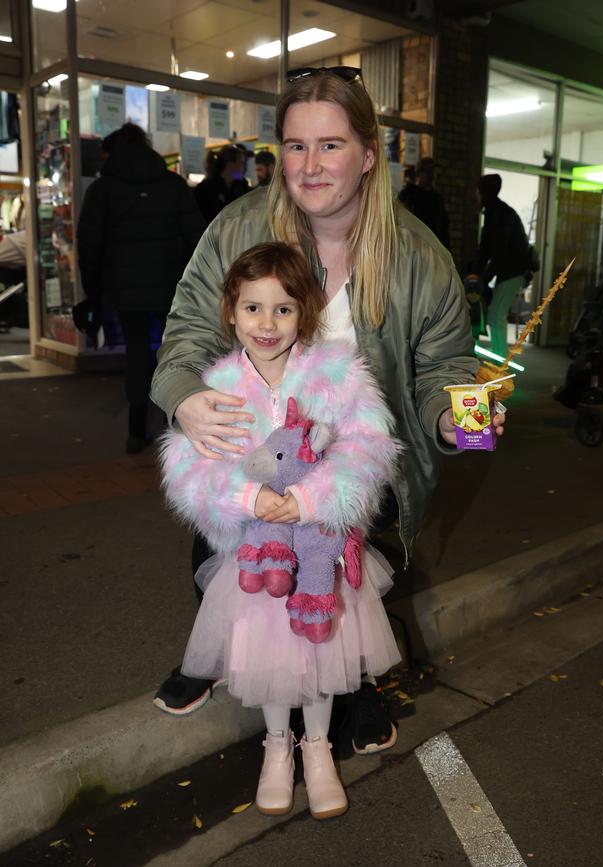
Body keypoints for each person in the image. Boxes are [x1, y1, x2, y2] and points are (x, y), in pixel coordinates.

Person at [150, 66, 506, 750]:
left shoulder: (419, 259)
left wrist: (455, 418)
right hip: (255, 437)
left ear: (370, 154)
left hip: (354, 455)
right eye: (294, 145)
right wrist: (184, 395)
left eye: (331, 145)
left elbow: (444, 369)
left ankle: (355, 683)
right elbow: (190, 327)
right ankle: (216, 651)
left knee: (340, 577)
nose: (309, 167)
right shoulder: (238, 226)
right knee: (229, 556)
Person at [161, 241, 401, 819]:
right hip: (255, 557)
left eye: (284, 309)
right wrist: (249, 497)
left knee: (322, 653)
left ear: (307, 313)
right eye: (252, 308)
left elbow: (366, 450)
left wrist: (309, 499)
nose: (266, 324)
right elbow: (192, 467)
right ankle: (277, 748)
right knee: (269, 661)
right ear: (230, 312)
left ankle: (317, 748)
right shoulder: (214, 387)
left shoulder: (336, 375)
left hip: (318, 548)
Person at [77, 122, 205, 453]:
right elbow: (197, 241)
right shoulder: (173, 186)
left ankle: (137, 430)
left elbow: (89, 247)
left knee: (136, 353)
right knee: (175, 350)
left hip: (124, 289)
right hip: (171, 287)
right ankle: (177, 424)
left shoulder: (103, 190)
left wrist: (93, 292)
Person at [469, 173, 531, 360]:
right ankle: (499, 359)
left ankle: (500, 362)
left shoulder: (499, 215)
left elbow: (497, 251)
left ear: (484, 193)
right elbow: (487, 249)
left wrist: (482, 277)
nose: (476, 196)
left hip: (513, 271)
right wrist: (477, 273)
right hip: (512, 270)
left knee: (496, 315)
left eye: (478, 192)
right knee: (496, 315)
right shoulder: (497, 212)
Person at [398, 156, 450, 249]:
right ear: (419, 173)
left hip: (433, 250)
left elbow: (443, 229)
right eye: (428, 172)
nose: (432, 176)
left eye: (433, 172)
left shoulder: (436, 199)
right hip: (414, 249)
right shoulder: (408, 195)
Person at [193, 144, 250, 224]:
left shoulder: (241, 186)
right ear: (230, 164)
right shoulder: (206, 189)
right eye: (241, 162)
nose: (244, 167)